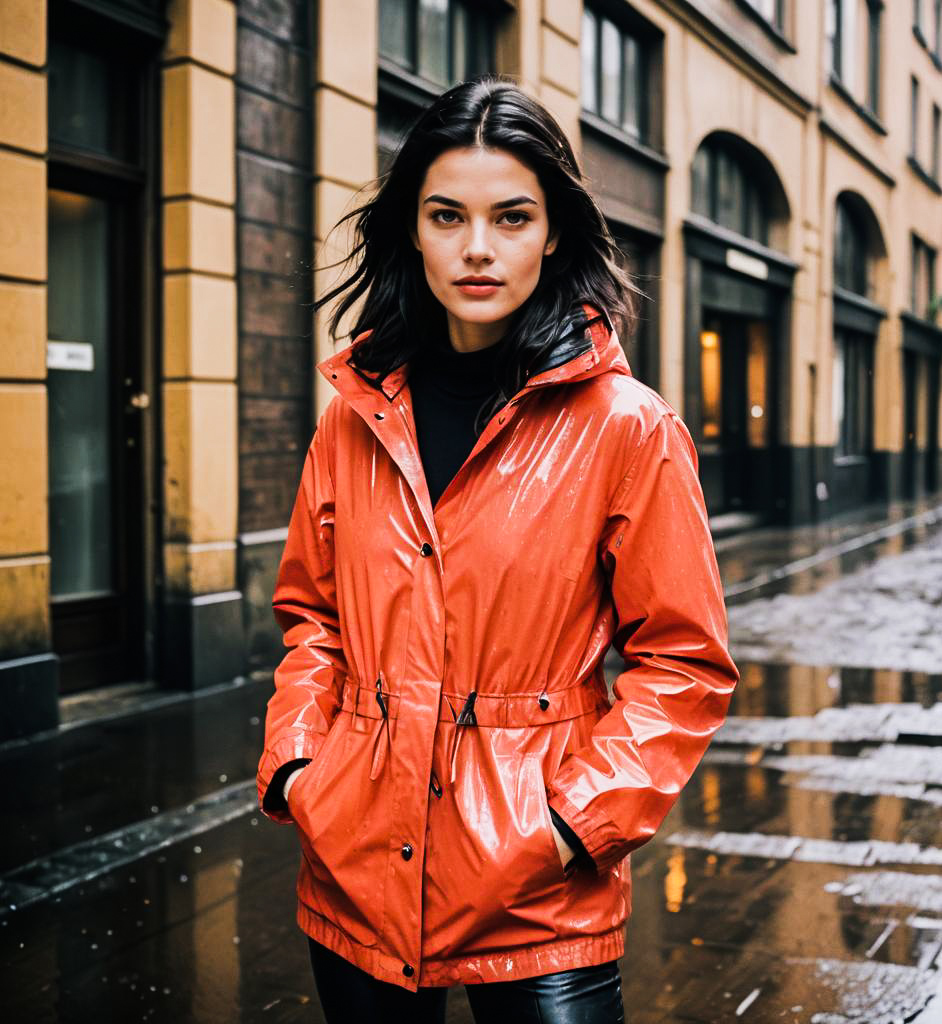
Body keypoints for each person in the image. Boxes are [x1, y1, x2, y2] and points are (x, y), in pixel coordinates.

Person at [256, 76, 739, 1024]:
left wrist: (573, 823)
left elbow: (682, 660)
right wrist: (301, 766)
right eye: (447, 215)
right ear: (412, 229)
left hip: (538, 888)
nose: (478, 248)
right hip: (354, 867)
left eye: (511, 216)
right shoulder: (352, 419)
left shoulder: (627, 428)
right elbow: (312, 614)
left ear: (553, 230)